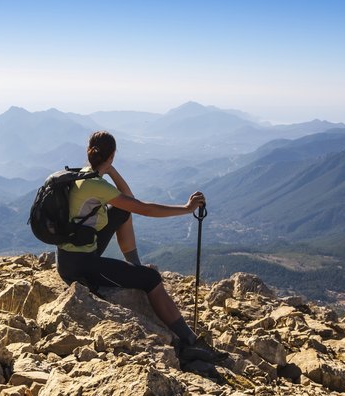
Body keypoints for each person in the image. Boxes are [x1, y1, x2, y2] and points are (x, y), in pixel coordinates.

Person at [56, 130, 226, 363]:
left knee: (122, 211)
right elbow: (143, 207)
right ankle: (190, 342)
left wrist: (108, 168)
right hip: (80, 266)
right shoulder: (96, 185)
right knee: (151, 279)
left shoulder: (83, 176)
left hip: (71, 254)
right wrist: (186, 209)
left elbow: (127, 200)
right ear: (112, 155)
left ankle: (133, 267)